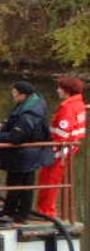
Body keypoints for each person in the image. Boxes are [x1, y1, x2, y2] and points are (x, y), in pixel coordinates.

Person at [0, 81, 52, 224]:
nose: (13, 96)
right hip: (30, 153)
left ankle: (17, 214)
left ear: (22, 95)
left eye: (15, 94)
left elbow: (17, 137)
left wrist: (0, 133)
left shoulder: (28, 114)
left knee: (18, 184)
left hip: (23, 154)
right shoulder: (35, 105)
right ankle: (12, 211)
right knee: (24, 183)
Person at [36, 76, 86, 218]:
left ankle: (46, 212)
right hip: (69, 147)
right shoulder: (78, 104)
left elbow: (62, 133)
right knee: (52, 180)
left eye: (60, 88)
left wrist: (50, 144)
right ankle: (45, 210)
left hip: (60, 150)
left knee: (50, 180)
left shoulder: (68, 108)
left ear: (67, 90)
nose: (57, 91)